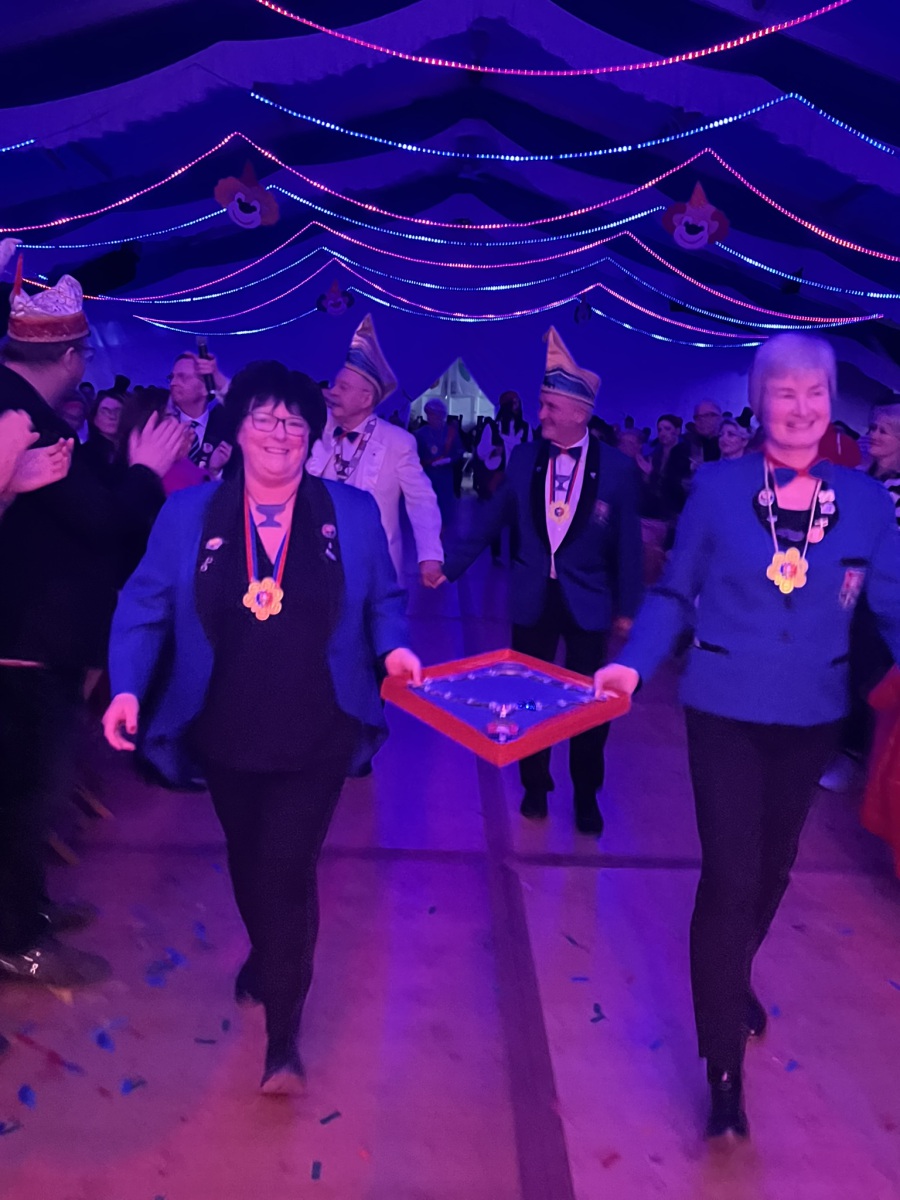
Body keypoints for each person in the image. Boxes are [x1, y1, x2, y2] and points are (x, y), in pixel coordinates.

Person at [594, 333, 900, 1142]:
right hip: (724, 707)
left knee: (773, 867)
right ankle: (722, 1070)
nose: (801, 407)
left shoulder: (866, 503)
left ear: (831, 402)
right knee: (730, 875)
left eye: (816, 392)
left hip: (811, 713)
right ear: (759, 402)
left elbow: (893, 605)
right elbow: (675, 592)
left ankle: (732, 972)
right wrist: (631, 665)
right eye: (784, 392)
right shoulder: (719, 488)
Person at [102, 361, 421, 1095]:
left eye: (295, 421)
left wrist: (395, 649)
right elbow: (144, 606)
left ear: (312, 435)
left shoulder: (351, 513)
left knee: (288, 864)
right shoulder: (188, 515)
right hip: (226, 723)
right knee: (248, 858)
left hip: (319, 722)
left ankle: (284, 1036)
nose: (281, 433)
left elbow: (384, 601)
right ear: (239, 428)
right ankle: (265, 953)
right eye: (265, 418)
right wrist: (125, 688)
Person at [0, 270, 185, 989]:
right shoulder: (24, 420)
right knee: (24, 798)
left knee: (32, 794)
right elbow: (102, 521)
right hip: (23, 642)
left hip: (34, 638)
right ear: (73, 357)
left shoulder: (28, 413)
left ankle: (29, 911)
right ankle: (16, 938)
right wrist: (146, 471)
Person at [439, 327, 642, 836]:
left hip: (588, 604)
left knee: (588, 706)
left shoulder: (618, 470)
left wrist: (627, 609)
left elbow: (628, 546)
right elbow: (491, 519)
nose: (541, 413)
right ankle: (535, 785)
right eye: (542, 404)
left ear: (579, 413)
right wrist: (448, 565)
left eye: (550, 406)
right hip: (533, 600)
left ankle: (586, 794)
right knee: (528, 700)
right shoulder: (525, 457)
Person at [307, 314, 444, 586]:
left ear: (366, 398)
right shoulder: (317, 432)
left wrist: (430, 555)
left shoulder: (397, 442)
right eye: (335, 385)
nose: (333, 392)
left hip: (374, 572)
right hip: (318, 568)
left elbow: (421, 500)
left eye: (343, 387)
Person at [166, 349, 234, 473]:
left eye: (182, 377)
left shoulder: (225, 429)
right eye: (172, 377)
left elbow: (248, 405)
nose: (173, 383)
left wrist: (214, 471)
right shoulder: (163, 426)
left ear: (205, 389)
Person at [415, 398, 465, 526]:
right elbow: (414, 455)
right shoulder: (420, 434)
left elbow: (459, 451)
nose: (431, 418)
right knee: (427, 504)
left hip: (445, 476)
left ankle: (444, 527)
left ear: (442, 415)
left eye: (435, 415)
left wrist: (450, 459)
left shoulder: (451, 432)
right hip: (427, 475)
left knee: (444, 504)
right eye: (429, 415)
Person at [687, 399, 723, 465]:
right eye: (697, 417)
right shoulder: (686, 446)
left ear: (719, 418)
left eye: (707, 415)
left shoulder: (731, 444)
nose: (701, 420)